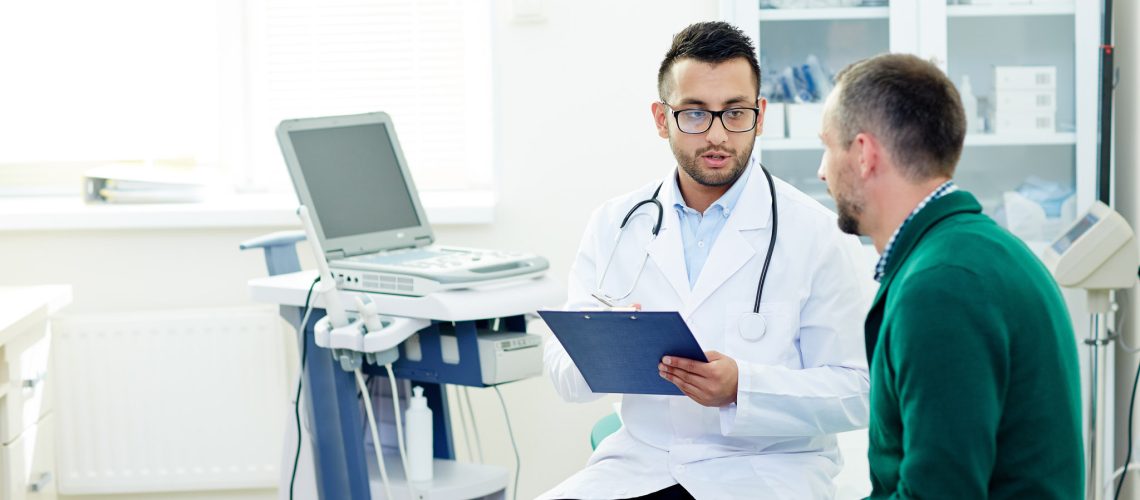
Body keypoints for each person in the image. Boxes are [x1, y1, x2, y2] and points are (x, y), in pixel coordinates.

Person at [541, 21, 874, 499]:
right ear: (661, 118)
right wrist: (605, 346)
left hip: (766, 472)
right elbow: (562, 374)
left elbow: (859, 390)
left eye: (734, 113)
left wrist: (745, 387)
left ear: (759, 115)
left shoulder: (819, 233)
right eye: (694, 114)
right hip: (642, 465)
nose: (717, 135)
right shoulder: (615, 224)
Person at [816, 53, 1084, 499]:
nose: (823, 171)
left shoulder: (940, 285)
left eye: (827, 146)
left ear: (863, 154)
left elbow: (939, 493)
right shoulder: (982, 249)